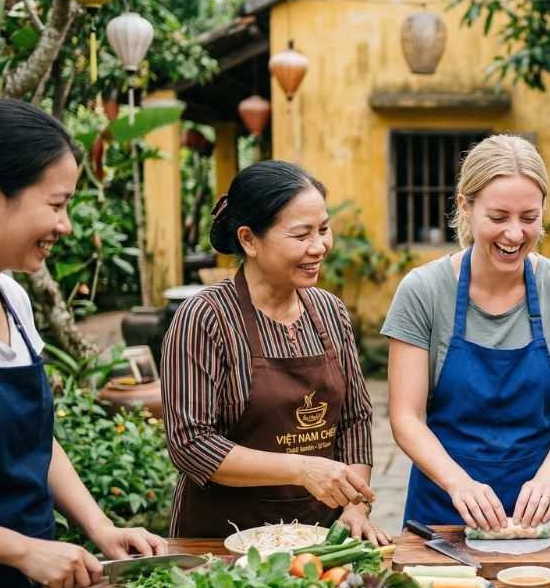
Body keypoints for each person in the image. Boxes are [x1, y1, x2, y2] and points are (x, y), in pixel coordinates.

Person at [0, 100, 167, 588]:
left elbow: (32, 441)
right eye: (57, 205)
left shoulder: (13, 300)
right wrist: (22, 550)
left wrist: (99, 526)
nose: (65, 226)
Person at [384, 135, 550, 530]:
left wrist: (549, 478)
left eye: (529, 217)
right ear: (464, 207)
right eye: (498, 217)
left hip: (538, 506)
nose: (515, 234)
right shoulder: (423, 291)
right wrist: (459, 484)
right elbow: (406, 417)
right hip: (443, 508)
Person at [161, 160, 386, 543]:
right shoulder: (205, 317)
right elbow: (192, 444)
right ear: (249, 239)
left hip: (318, 540)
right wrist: (301, 469)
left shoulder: (330, 311)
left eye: (324, 230)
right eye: (301, 235)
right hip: (222, 540)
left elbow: (355, 420)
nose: (319, 247)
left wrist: (353, 506)